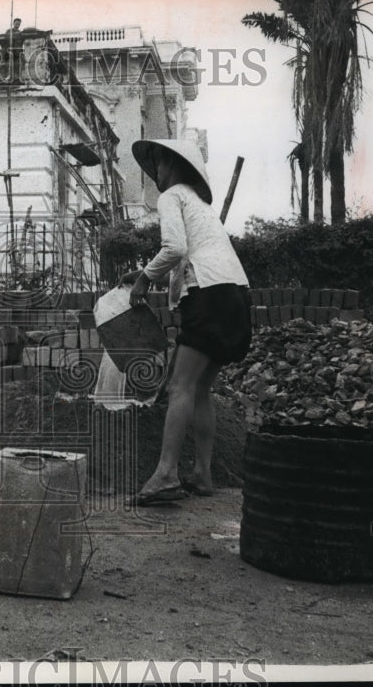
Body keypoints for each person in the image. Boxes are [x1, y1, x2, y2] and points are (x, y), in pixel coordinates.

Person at [127, 137, 251, 505]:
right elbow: (188, 255)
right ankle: (202, 473)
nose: (157, 174)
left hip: (209, 296)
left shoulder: (172, 197)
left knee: (178, 387)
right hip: (236, 297)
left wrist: (144, 278)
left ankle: (166, 474)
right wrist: (146, 274)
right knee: (199, 389)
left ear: (175, 166)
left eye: (160, 165)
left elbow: (176, 249)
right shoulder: (199, 205)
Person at [4, 17, 25, 82]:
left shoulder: (21, 32)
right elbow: (6, 39)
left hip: (18, 52)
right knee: (9, 66)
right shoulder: (9, 31)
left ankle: (16, 79)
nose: (17, 25)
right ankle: (9, 78)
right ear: (13, 23)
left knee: (17, 66)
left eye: (19, 24)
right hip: (10, 51)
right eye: (16, 23)